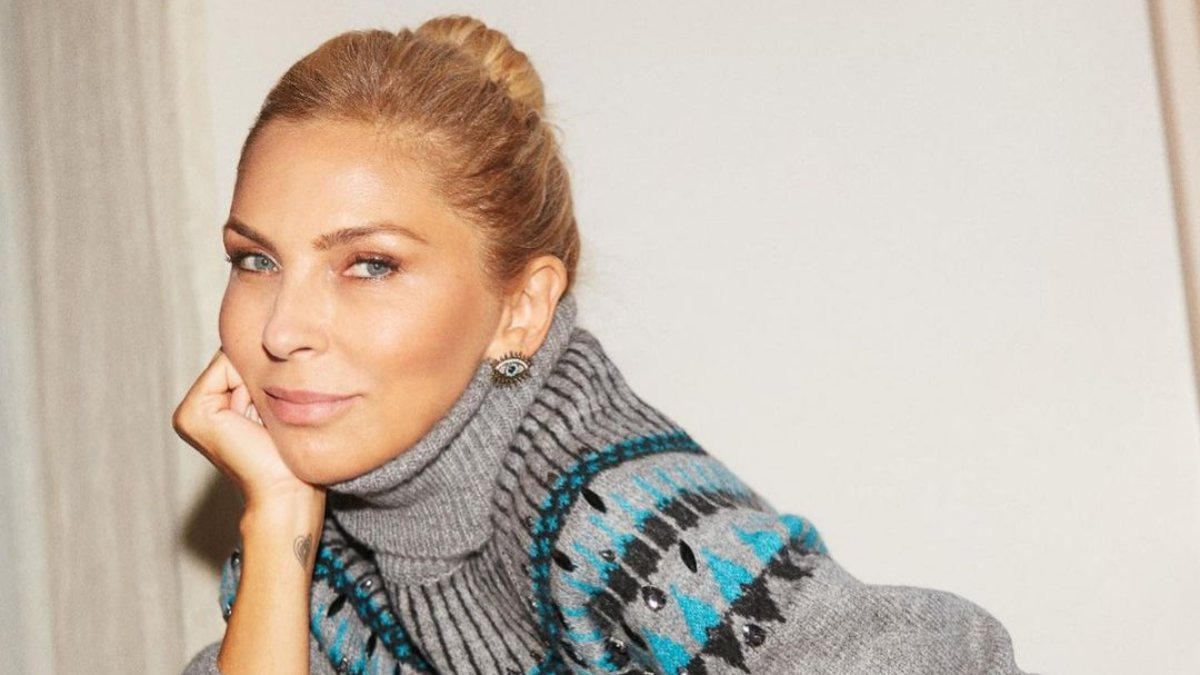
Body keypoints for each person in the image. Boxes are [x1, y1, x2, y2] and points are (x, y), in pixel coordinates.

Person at [176, 14, 1033, 675]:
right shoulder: (315, 539)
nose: (282, 328)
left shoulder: (616, 522)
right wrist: (278, 515)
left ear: (521, 309)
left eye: (370, 265)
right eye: (256, 260)